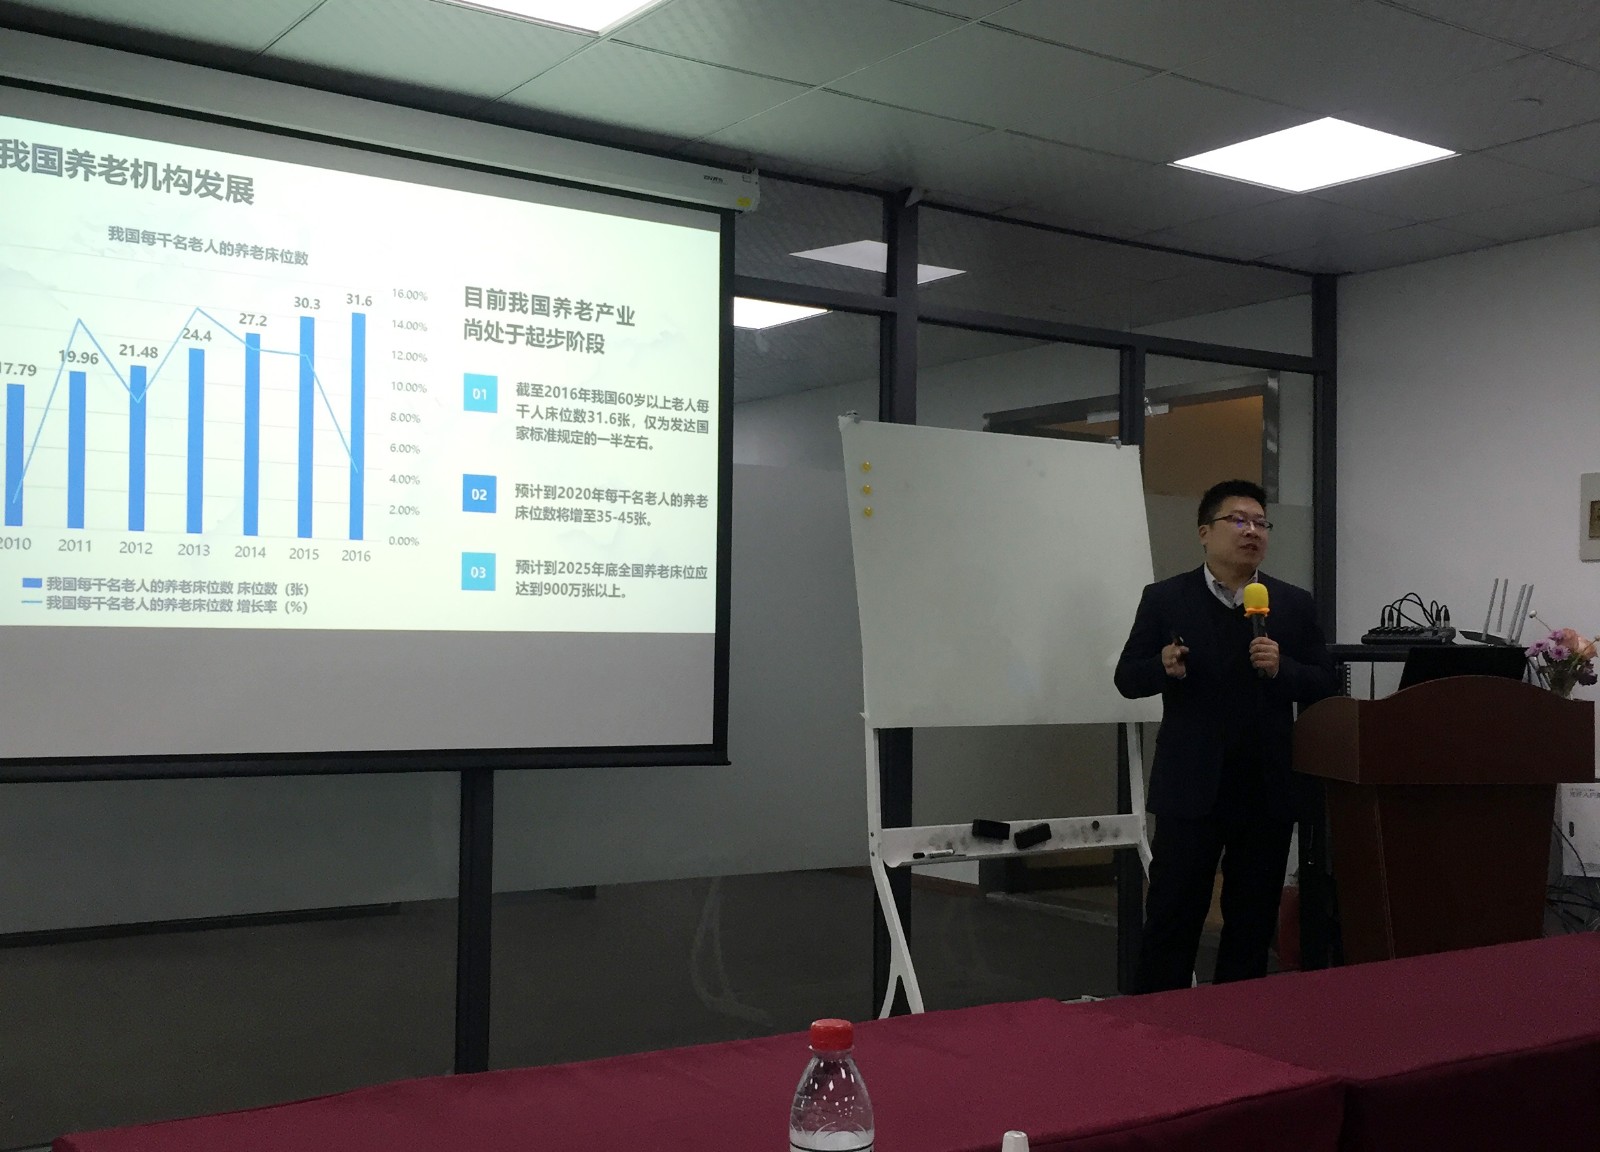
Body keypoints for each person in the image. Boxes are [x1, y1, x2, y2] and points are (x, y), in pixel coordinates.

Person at [1114, 479, 1334, 993]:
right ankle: (1155, 1022)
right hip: (1191, 785)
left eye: (1260, 522)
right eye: (1238, 520)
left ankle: (1239, 1025)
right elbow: (1127, 678)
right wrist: (1161, 666)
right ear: (1204, 533)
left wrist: (1283, 668)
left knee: (1251, 922)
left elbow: (1324, 681)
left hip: (1265, 786)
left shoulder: (1292, 603)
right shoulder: (1166, 598)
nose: (1252, 531)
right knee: (1172, 916)